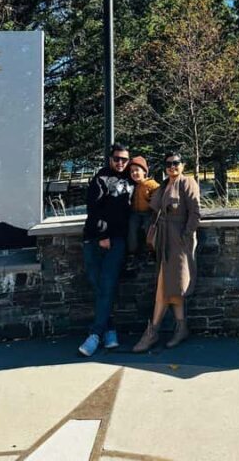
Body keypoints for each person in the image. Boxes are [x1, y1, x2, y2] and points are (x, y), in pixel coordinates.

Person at [133, 152, 201, 352]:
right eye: (169, 164)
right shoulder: (163, 185)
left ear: (183, 164)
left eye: (176, 163)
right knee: (172, 284)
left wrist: (185, 236)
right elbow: (151, 205)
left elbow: (195, 212)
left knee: (168, 284)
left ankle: (152, 332)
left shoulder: (187, 183)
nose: (172, 167)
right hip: (164, 240)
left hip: (179, 241)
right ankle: (181, 327)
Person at [78, 144, 134, 357]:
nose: (121, 163)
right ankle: (109, 330)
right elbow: (94, 210)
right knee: (100, 287)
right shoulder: (100, 179)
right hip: (94, 240)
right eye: (117, 159)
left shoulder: (130, 181)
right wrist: (102, 236)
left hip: (118, 241)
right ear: (110, 159)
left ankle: (94, 335)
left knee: (107, 285)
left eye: (124, 159)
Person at [127, 155, 160, 255]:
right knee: (131, 227)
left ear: (144, 172)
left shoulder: (151, 184)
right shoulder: (132, 185)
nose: (134, 173)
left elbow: (158, 196)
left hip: (148, 212)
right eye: (132, 171)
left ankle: (152, 250)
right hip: (135, 212)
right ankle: (132, 251)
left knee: (148, 227)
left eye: (137, 170)